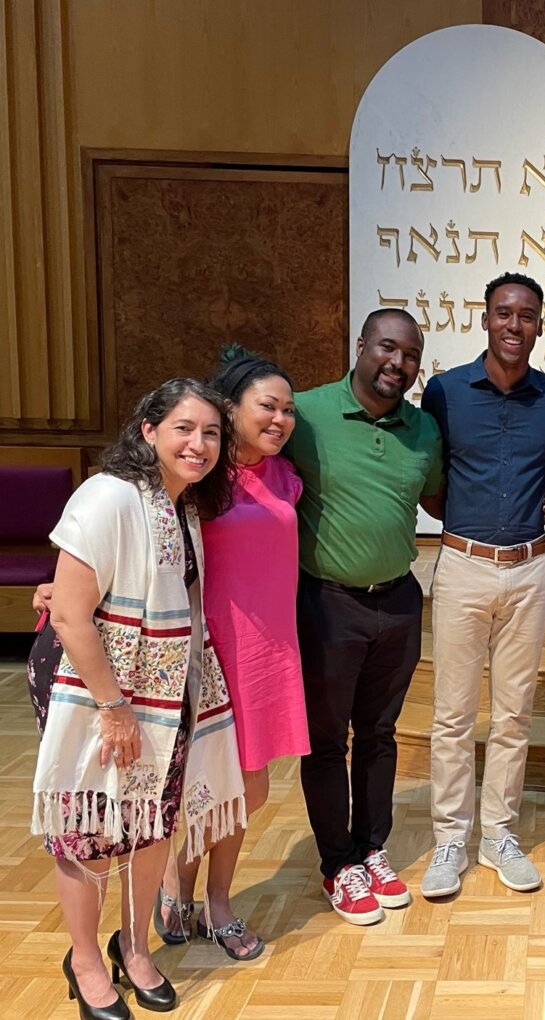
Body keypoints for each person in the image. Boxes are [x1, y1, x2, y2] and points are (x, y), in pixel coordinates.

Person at [27, 379, 246, 1019]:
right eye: (183, 428)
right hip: (94, 684)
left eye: (210, 432)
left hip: (165, 685)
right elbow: (68, 615)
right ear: (148, 430)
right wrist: (113, 707)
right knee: (90, 825)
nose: (197, 443)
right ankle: (86, 961)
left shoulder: (183, 508)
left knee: (152, 821)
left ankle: (136, 944)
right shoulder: (107, 495)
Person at [420, 272, 545, 897]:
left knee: (513, 713)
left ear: (540, 324)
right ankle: (451, 839)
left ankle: (499, 836)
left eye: (528, 315)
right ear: (485, 318)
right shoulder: (446, 391)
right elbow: (431, 473)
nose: (515, 325)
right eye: (504, 313)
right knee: (453, 715)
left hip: (531, 570)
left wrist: (540, 504)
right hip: (462, 564)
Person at [287, 309, 443, 925]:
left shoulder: (423, 430)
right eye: (386, 348)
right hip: (328, 603)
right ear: (360, 345)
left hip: (400, 601)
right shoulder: (306, 415)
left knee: (379, 734)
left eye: (409, 356)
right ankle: (337, 865)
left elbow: (436, 495)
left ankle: (372, 849)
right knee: (327, 740)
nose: (396, 364)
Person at [155, 356, 308, 959]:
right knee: (205, 782)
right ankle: (186, 892)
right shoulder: (197, 479)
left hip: (270, 651)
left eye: (288, 409)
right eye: (266, 406)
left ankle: (211, 897)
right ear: (231, 409)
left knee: (249, 788)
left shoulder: (285, 477)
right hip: (210, 649)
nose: (279, 418)